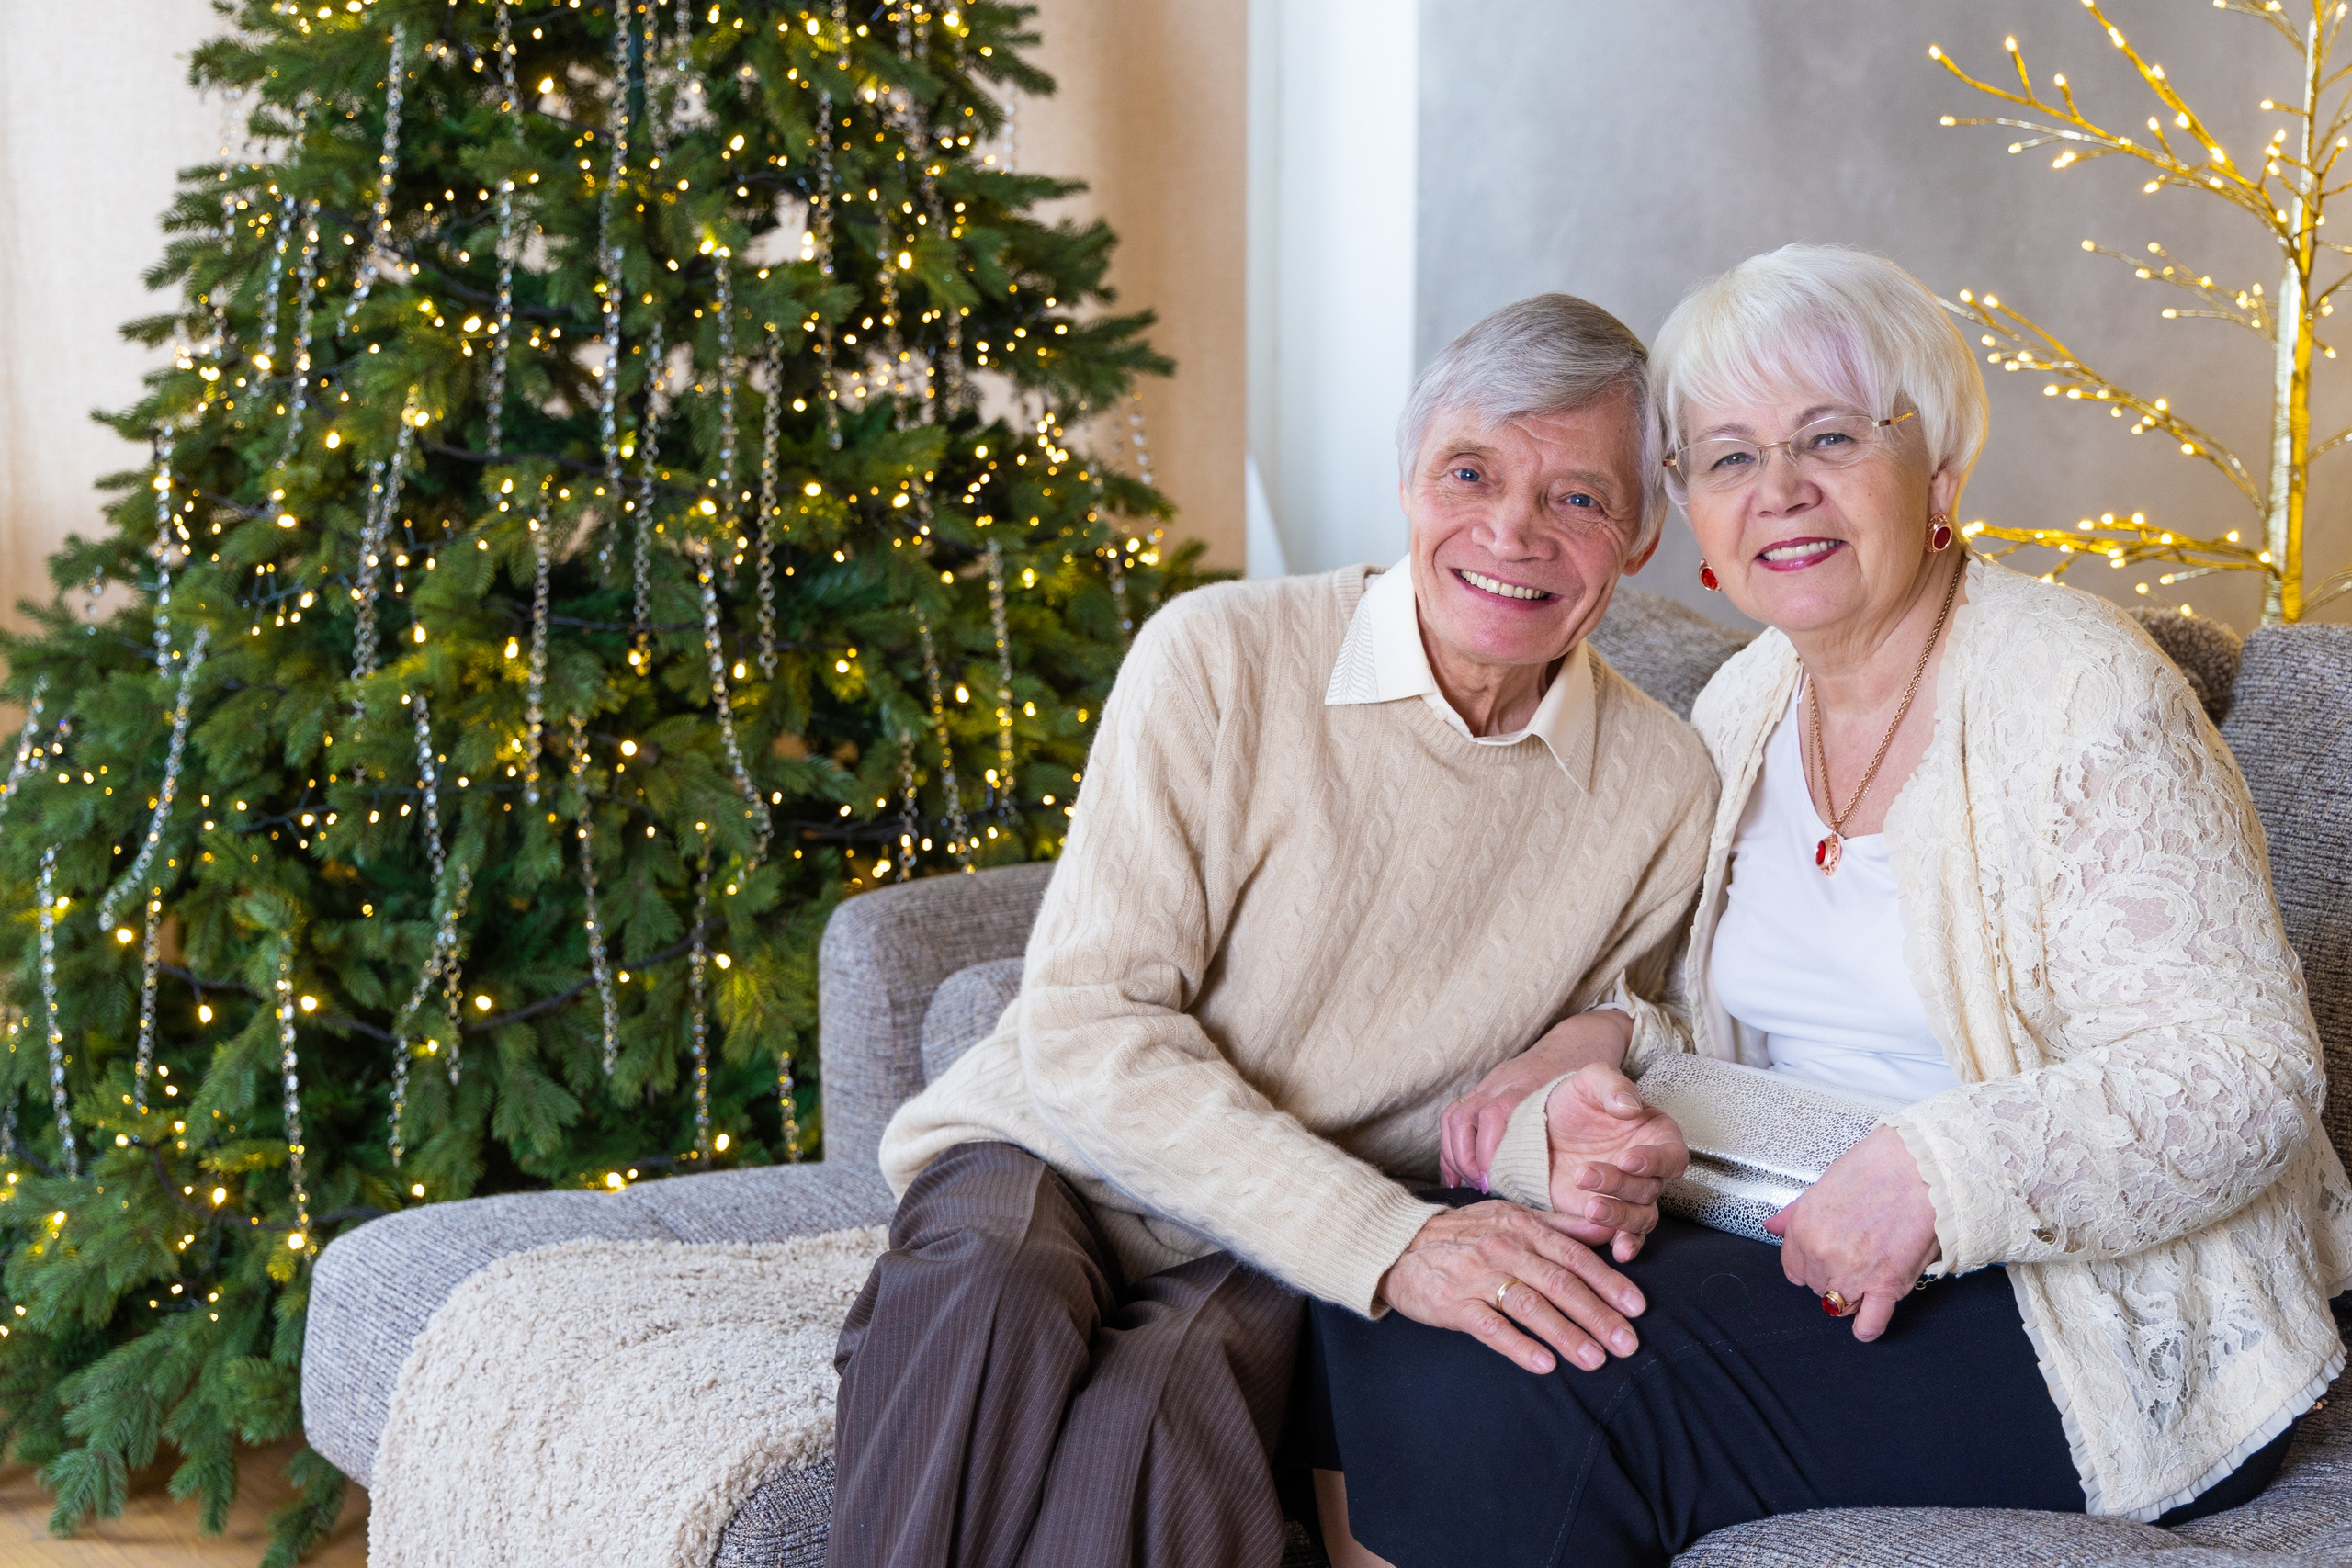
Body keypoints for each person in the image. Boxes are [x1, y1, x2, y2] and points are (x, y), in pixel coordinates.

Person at [1309, 244, 2352, 1568]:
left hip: (2065, 1297)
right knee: (1400, 1273)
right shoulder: (1751, 698)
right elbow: (1693, 991)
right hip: (1785, 1217)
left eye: (1830, 438)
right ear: (1688, 506)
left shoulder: (2083, 697)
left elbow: (2248, 1073)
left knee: (1537, 1394)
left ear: (1943, 468)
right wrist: (1599, 1041)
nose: (1781, 491)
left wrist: (1935, 1172)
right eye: (1729, 457)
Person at [823, 294, 1720, 1568]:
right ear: (1409, 482)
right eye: (1471, 472)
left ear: (1637, 541)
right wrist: (1391, 1243)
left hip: (1305, 1222)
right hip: (1059, 1150)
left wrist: (1579, 1059)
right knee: (985, 1297)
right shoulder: (1219, 656)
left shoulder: (1665, 783)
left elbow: (1629, 1024)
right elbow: (1089, 1022)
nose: (1512, 529)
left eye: (1579, 498)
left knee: (1162, 1417)